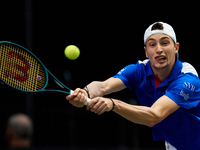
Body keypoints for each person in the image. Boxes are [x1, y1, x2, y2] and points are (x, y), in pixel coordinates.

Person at [66, 22, 200, 150]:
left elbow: (154, 115)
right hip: (176, 143)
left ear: (176, 48)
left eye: (164, 43)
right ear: (146, 51)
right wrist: (85, 93)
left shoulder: (188, 79)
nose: (159, 49)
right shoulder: (138, 70)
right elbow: (102, 86)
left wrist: (113, 104)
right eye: (152, 44)